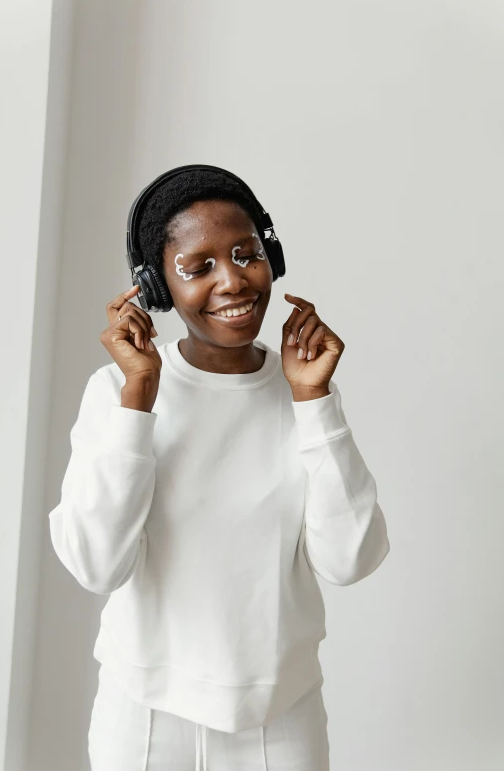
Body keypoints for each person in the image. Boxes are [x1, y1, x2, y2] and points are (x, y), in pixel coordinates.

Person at [48, 166, 390, 771]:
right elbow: (97, 566)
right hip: (146, 716)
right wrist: (139, 399)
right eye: (198, 266)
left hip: (283, 715)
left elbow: (352, 560)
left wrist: (316, 403)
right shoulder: (117, 392)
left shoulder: (301, 394)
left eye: (245, 254)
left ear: (271, 253)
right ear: (157, 288)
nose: (232, 281)